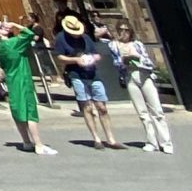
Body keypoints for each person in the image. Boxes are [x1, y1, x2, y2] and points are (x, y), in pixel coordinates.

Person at [52, 11, 123, 148]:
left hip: (92, 73)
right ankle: (96, 138)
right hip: (76, 74)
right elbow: (59, 57)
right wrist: (76, 60)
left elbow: (96, 54)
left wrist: (93, 58)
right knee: (87, 106)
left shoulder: (85, 38)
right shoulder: (61, 38)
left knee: (102, 106)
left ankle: (111, 138)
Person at [107, 20, 174, 154]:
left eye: (126, 30)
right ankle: (152, 142)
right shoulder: (113, 45)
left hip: (144, 74)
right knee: (142, 113)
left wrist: (136, 57)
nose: (123, 32)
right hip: (130, 76)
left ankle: (166, 142)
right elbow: (116, 63)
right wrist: (122, 57)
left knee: (156, 110)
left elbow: (148, 62)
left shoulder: (137, 44)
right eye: (121, 29)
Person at [0, 16, 54, 155]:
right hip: (23, 78)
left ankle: (26, 141)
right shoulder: (13, 43)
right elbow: (29, 34)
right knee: (30, 111)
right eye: (1, 28)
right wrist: (15, 24)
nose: (5, 27)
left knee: (18, 111)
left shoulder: (0, 48)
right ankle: (38, 144)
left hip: (12, 79)